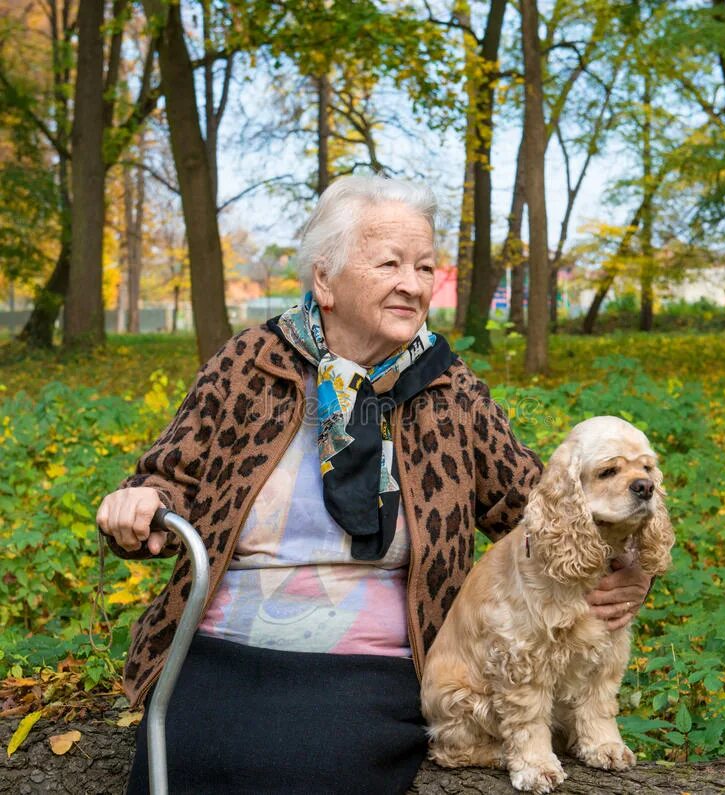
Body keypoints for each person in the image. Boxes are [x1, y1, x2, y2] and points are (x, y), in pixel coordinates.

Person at [97, 175, 651, 794]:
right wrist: (143, 501)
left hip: (377, 659)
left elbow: (535, 504)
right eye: (389, 263)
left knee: (311, 765)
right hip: (222, 645)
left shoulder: (448, 388)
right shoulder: (251, 364)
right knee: (189, 758)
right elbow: (169, 476)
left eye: (423, 266)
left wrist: (624, 567)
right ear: (326, 280)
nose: (412, 284)